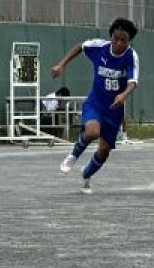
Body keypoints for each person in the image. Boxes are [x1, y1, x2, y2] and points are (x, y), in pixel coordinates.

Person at [51, 18, 139, 193]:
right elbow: (80, 47)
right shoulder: (99, 47)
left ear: (129, 41)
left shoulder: (131, 56)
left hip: (114, 109)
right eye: (116, 38)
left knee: (104, 150)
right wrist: (61, 64)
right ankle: (73, 156)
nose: (119, 43)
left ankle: (86, 174)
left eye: (124, 40)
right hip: (96, 103)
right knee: (92, 131)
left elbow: (133, 82)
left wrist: (123, 94)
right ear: (111, 36)